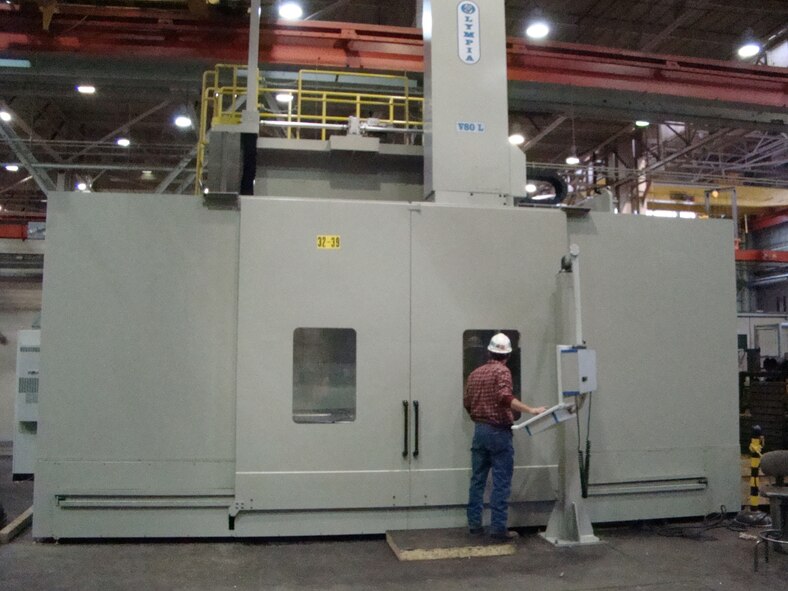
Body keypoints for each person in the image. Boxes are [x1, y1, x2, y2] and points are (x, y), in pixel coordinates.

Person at [463, 333, 546, 539]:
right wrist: (531, 410)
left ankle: (474, 525)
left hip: (479, 431)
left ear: (489, 352)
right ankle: (498, 529)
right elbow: (505, 397)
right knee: (501, 482)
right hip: (498, 432)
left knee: (477, 480)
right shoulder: (503, 371)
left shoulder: (475, 374)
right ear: (507, 355)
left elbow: (467, 403)